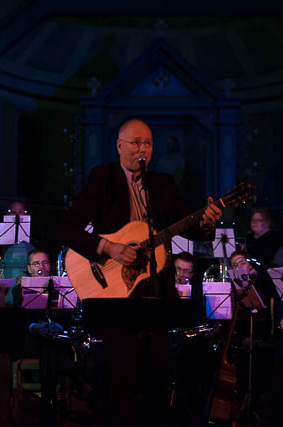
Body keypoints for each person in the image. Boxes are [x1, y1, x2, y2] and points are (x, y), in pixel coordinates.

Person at [57, 118, 222, 425]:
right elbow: (67, 229)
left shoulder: (164, 184)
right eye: (135, 143)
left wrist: (207, 222)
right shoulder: (102, 178)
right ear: (119, 146)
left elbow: (188, 224)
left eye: (147, 143)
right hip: (114, 291)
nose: (142, 149)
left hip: (155, 289)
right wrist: (110, 248)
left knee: (157, 374)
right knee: (120, 375)